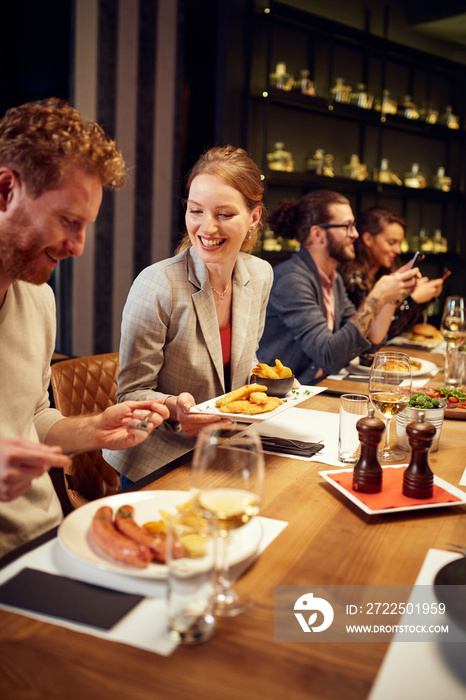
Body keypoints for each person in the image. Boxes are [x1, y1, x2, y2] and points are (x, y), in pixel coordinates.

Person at [0, 98, 169, 558]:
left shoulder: (38, 298)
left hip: (41, 542)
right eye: (68, 222)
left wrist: (95, 429)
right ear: (5, 192)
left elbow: (32, 418)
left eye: (85, 226)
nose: (77, 247)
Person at [104, 145, 273, 482]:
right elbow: (131, 393)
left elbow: (244, 368)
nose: (207, 228)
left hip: (229, 446)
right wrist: (176, 408)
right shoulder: (158, 284)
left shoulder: (261, 274)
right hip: (161, 456)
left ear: (253, 218)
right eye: (196, 211)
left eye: (224, 214)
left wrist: (278, 387)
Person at [258, 190, 420, 384]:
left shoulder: (332, 278)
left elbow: (366, 344)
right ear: (318, 233)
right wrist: (376, 297)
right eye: (347, 226)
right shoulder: (292, 280)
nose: (355, 234)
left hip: (319, 387)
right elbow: (329, 357)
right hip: (286, 398)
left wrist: (391, 295)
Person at [340, 206, 448, 339]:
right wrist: (414, 301)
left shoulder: (385, 272)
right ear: (368, 239)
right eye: (392, 243)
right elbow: (376, 336)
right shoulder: (352, 279)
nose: (398, 250)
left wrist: (422, 297)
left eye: (399, 243)